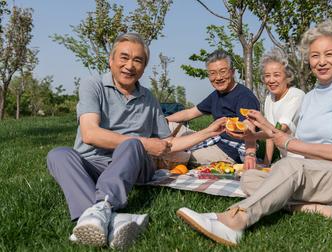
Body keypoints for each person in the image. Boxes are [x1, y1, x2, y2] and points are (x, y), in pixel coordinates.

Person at [176, 19, 332, 246]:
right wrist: (261, 130)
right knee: (250, 178)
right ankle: (323, 209)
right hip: (314, 172)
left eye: (329, 54)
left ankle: (235, 220)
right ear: (308, 59)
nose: (321, 62)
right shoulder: (310, 98)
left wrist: (287, 144)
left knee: (288, 166)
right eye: (315, 56)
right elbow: (297, 140)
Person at [46, 33, 227, 249]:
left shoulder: (149, 98)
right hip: (93, 164)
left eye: (138, 60)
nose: (129, 66)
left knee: (132, 144)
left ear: (144, 67)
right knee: (58, 155)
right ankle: (108, 220)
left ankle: (102, 207)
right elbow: (90, 134)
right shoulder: (92, 85)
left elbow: (168, 144)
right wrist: (145, 142)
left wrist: (208, 132)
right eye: (124, 57)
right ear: (111, 60)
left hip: (134, 165)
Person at [166, 49, 260, 168]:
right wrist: (163, 120)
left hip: (228, 150)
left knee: (180, 154)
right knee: (169, 125)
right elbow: (190, 113)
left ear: (232, 72)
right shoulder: (216, 94)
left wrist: (250, 155)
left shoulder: (245, 97)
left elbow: (250, 127)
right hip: (213, 137)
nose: (218, 77)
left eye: (223, 71)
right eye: (213, 73)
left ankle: (156, 157)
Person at [258, 48, 305, 165]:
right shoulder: (269, 98)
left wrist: (253, 134)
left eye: (277, 75)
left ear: (288, 76)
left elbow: (279, 129)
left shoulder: (296, 96)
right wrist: (266, 163)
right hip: (285, 160)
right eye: (267, 76)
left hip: (302, 159)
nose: (271, 80)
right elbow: (270, 136)